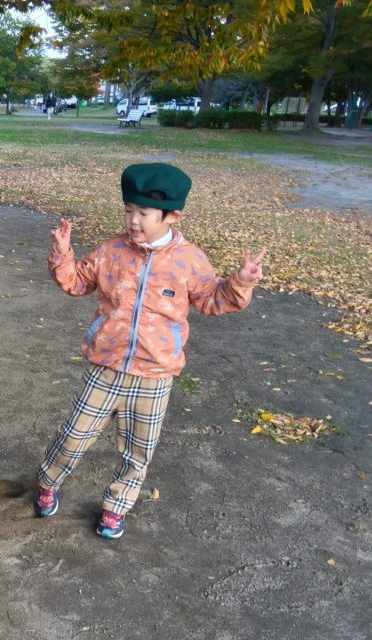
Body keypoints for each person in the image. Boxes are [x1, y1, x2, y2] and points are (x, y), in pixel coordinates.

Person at [34, 163, 265, 539]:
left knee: (137, 450)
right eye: (128, 210)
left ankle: (116, 507)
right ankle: (48, 483)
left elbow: (212, 300)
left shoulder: (189, 259)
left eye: (144, 213)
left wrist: (239, 282)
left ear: (172, 216)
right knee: (73, 436)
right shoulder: (111, 251)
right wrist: (62, 254)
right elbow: (76, 282)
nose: (133, 220)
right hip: (105, 366)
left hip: (154, 375)